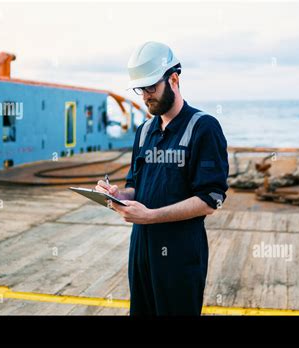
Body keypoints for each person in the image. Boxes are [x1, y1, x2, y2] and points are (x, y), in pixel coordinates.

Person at [96, 41, 229, 316]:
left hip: (180, 254)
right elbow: (136, 187)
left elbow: (210, 199)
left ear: (174, 79)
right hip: (141, 251)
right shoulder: (144, 131)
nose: (145, 96)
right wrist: (117, 196)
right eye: (140, 89)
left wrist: (151, 216)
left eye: (151, 87)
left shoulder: (203, 128)